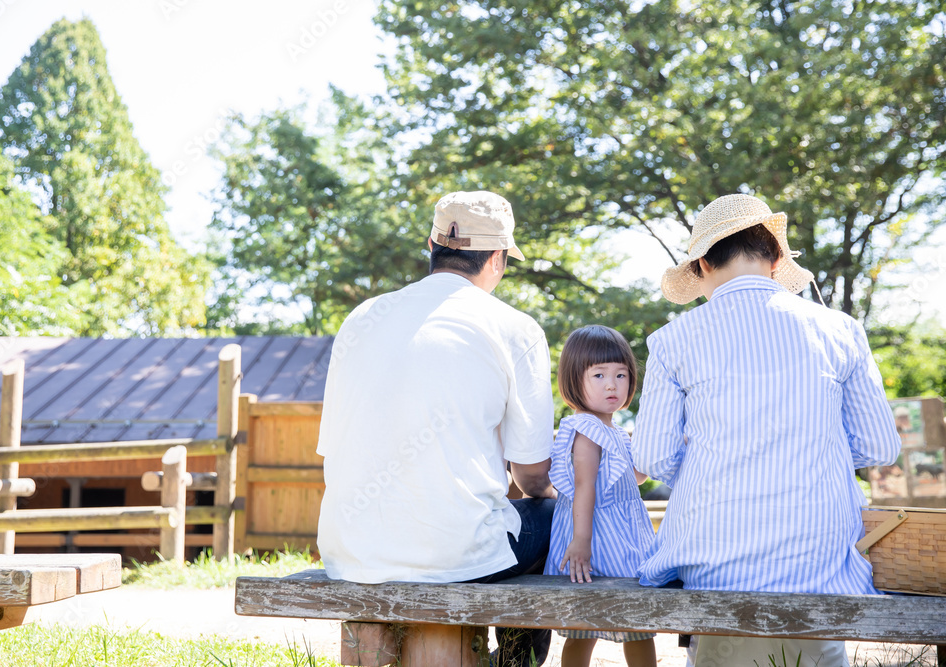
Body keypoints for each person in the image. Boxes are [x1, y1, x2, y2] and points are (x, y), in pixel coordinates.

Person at [632, 194, 901, 667]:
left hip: (711, 560)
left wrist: (710, 463)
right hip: (817, 562)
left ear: (701, 266)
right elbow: (879, 446)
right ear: (777, 259)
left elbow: (653, 457)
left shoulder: (672, 340)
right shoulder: (839, 330)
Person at [316, 190, 557, 667]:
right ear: (497, 258)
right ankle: (511, 663)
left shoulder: (362, 318)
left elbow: (332, 448)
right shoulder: (515, 328)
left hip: (351, 551)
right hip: (454, 557)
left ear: (432, 244)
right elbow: (531, 475)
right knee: (552, 516)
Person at [544, 325, 657, 667]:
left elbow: (635, 477)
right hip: (597, 536)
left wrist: (650, 447)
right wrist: (581, 540)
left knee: (604, 625)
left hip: (621, 533)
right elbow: (584, 485)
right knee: (604, 623)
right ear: (574, 381)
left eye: (621, 374)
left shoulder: (615, 431)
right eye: (599, 374)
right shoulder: (587, 430)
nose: (612, 384)